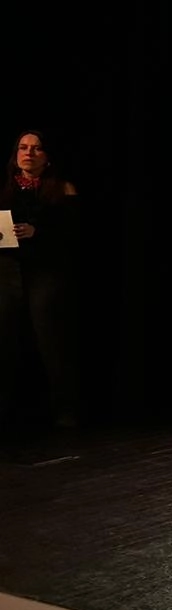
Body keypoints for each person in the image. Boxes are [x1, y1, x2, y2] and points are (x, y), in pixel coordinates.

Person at [0, 130, 81, 429]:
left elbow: (73, 234)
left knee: (51, 339)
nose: (28, 153)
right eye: (23, 148)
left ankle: (65, 409)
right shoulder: (5, 189)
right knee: (4, 340)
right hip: (8, 268)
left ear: (47, 157)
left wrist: (38, 232)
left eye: (35, 149)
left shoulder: (61, 189)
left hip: (45, 271)